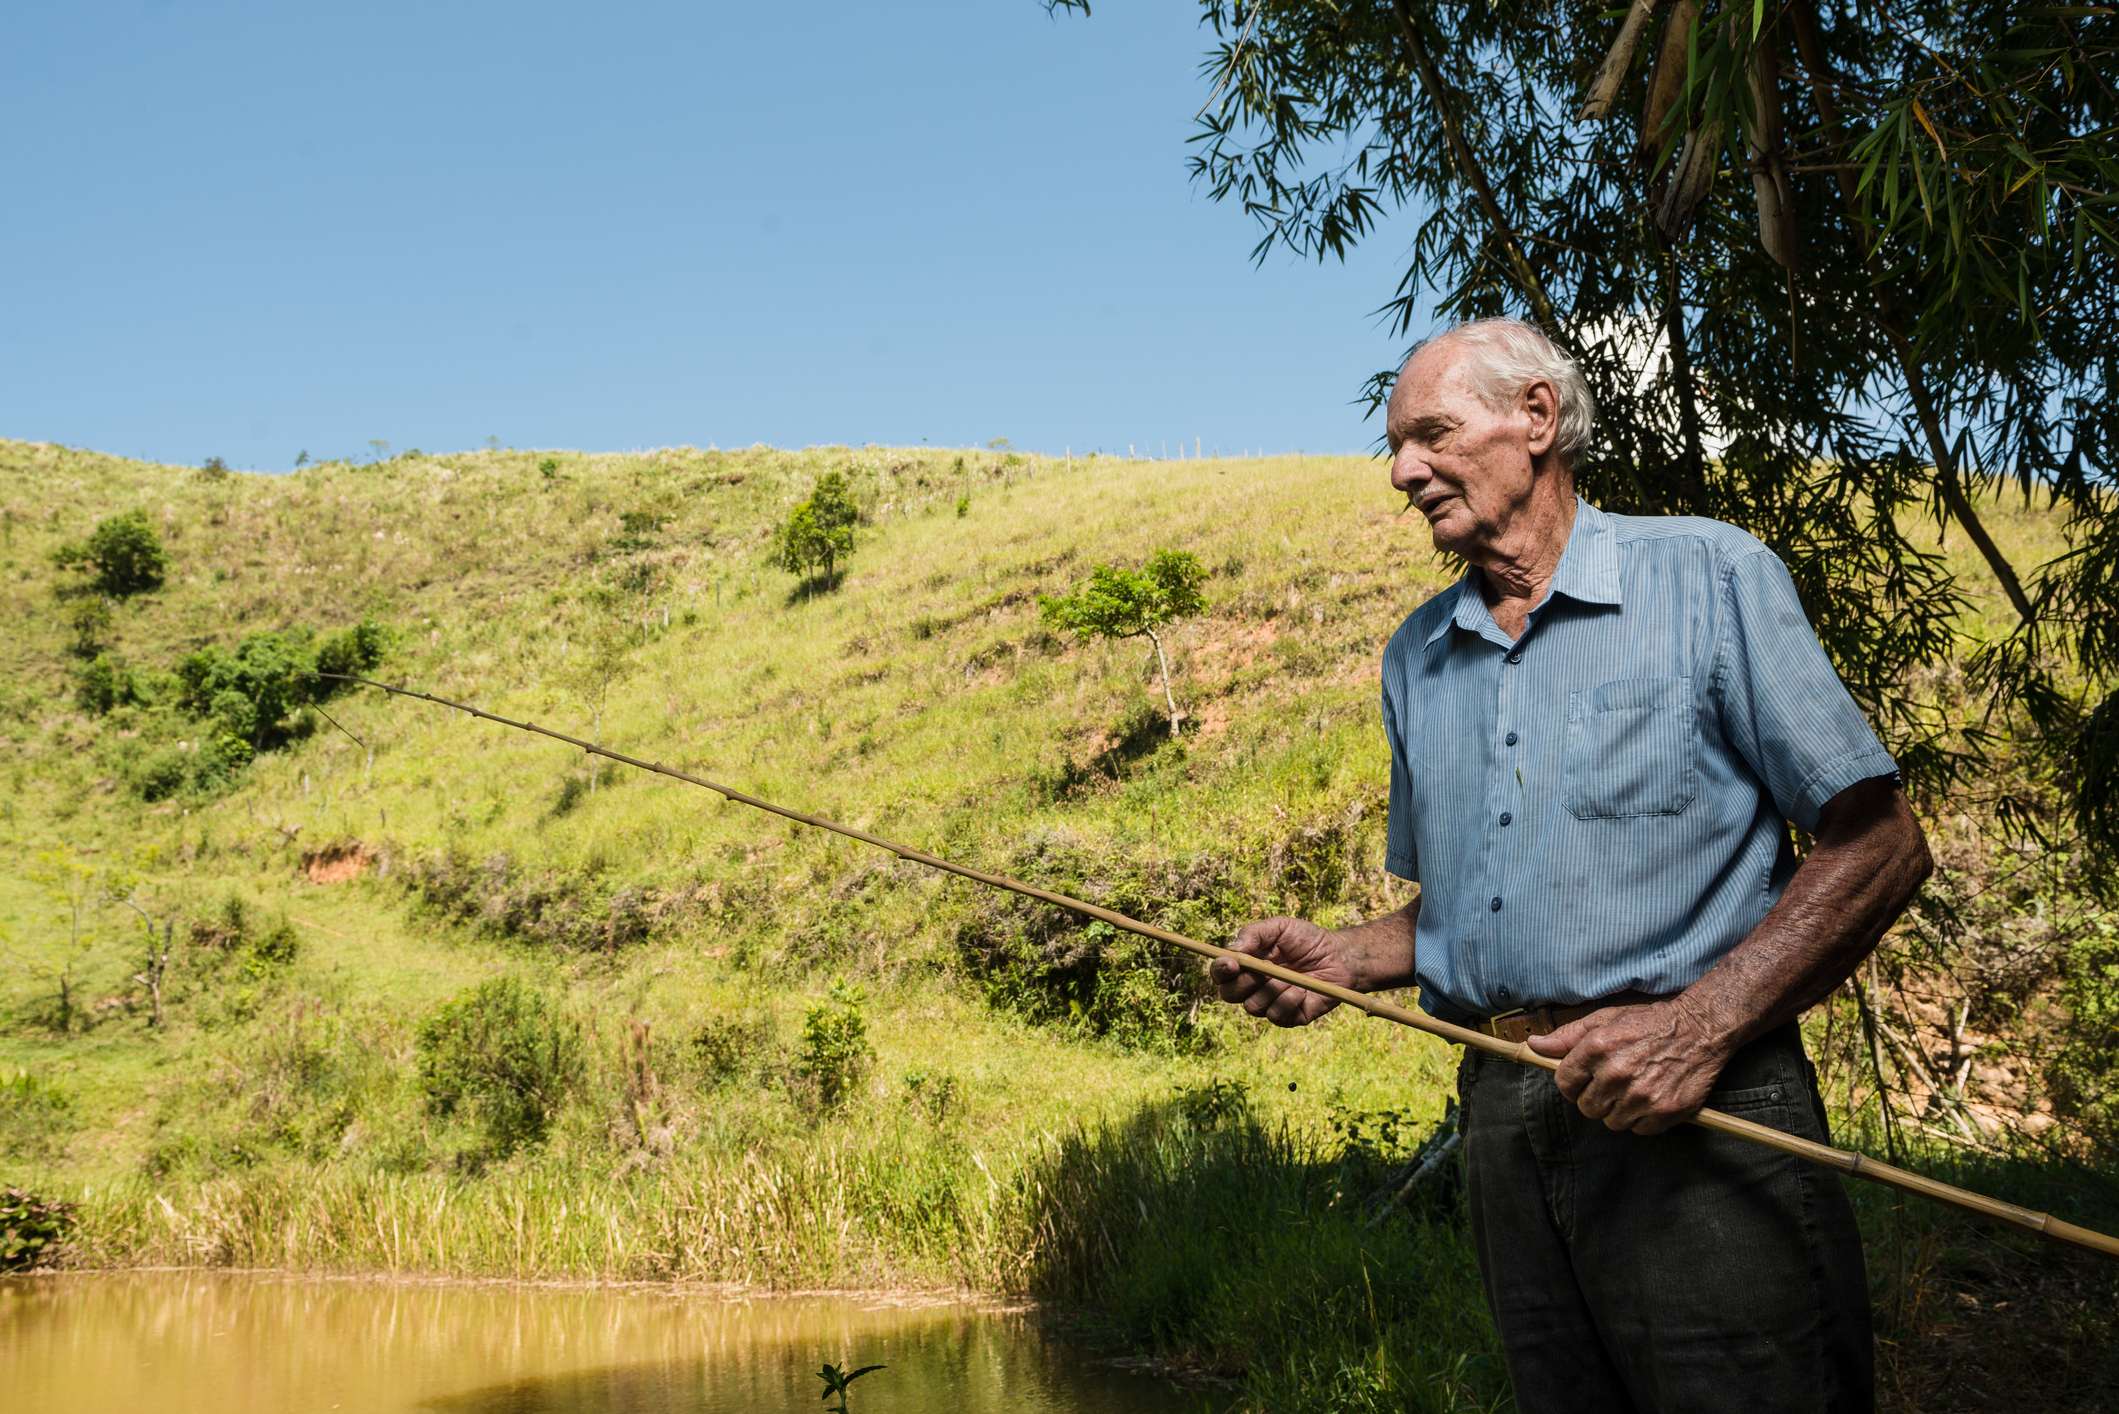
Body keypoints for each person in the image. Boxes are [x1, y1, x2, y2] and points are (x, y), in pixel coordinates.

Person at [1209, 317, 1932, 1414]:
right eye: (1395, 448)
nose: (1404, 471)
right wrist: (1348, 956)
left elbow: (1881, 844)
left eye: (1430, 435)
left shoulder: (1707, 575)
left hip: (1706, 1107)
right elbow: (1469, 899)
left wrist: (1697, 1029)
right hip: (1503, 1122)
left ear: (1535, 419)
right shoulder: (1415, 656)